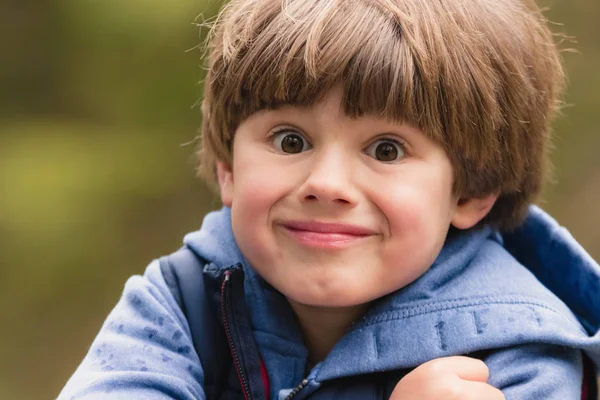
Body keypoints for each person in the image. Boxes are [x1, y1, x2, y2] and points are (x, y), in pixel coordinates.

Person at [59, 0, 600, 399]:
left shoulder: (519, 359)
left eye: (386, 149)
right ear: (228, 168)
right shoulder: (184, 301)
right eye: (290, 140)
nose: (327, 183)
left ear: (473, 191)